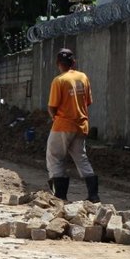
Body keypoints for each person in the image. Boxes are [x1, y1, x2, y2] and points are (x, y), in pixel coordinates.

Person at [47, 48, 98, 202]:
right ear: (73, 62)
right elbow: (88, 102)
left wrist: (54, 118)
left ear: (57, 63)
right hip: (81, 125)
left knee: (55, 157)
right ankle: (94, 196)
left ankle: (60, 196)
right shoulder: (83, 77)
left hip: (62, 125)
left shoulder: (59, 80)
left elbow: (52, 106)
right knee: (81, 158)